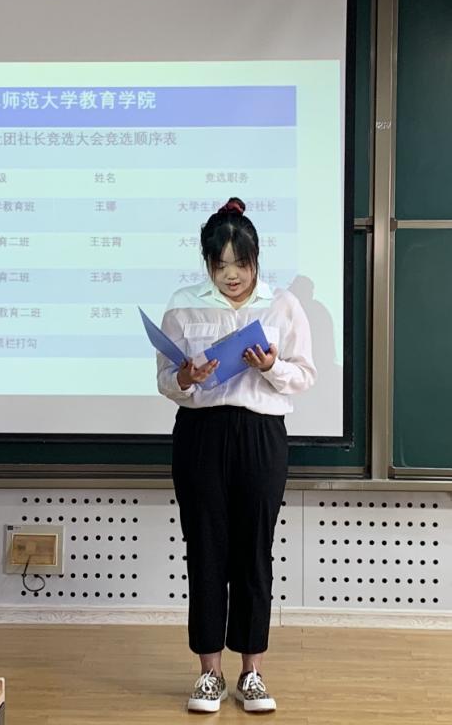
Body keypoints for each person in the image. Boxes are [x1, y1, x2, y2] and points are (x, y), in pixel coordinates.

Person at [156, 197, 316, 713]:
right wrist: (186, 376)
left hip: (260, 434)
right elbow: (165, 380)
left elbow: (304, 375)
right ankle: (209, 673)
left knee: (253, 551)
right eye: (220, 264)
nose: (231, 275)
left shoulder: (282, 305)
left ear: (255, 260)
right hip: (201, 434)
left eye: (240, 264)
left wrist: (270, 367)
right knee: (205, 549)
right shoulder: (183, 305)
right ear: (207, 263)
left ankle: (252, 672)